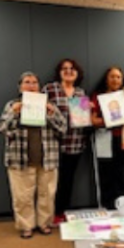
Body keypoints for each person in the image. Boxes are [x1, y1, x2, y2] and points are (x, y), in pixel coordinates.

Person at [0, 72, 66, 238]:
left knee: (47, 194)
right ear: (20, 87)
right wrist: (14, 113)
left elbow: (63, 129)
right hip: (20, 158)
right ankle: (26, 226)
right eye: (27, 82)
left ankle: (44, 223)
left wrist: (51, 114)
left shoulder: (49, 104)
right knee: (22, 196)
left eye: (35, 82)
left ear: (39, 86)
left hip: (47, 158)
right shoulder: (12, 105)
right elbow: (2, 128)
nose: (31, 85)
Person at [42, 58, 88, 223]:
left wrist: (88, 113)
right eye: (65, 68)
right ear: (59, 72)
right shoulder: (50, 89)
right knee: (51, 182)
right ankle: (47, 214)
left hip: (75, 144)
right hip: (53, 145)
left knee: (67, 181)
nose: (69, 71)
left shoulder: (80, 93)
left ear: (77, 73)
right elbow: (39, 111)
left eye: (72, 68)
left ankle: (61, 212)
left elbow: (82, 122)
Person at [91, 67, 124, 209]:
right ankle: (106, 205)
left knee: (121, 173)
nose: (115, 80)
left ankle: (122, 205)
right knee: (105, 172)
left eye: (118, 77)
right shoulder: (97, 95)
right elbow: (93, 121)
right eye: (112, 76)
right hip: (103, 138)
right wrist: (111, 120)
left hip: (123, 139)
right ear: (106, 79)